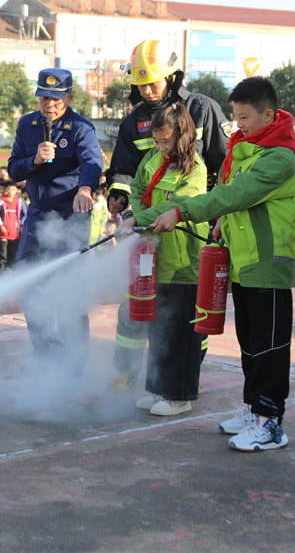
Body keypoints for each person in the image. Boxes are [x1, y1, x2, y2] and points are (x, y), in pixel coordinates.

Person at [151, 76, 295, 452]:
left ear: (268, 114)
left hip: (267, 263)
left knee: (268, 348)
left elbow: (235, 195)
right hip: (244, 263)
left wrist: (181, 211)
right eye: (235, 116)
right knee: (250, 344)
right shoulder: (246, 150)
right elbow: (231, 199)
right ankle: (255, 411)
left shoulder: (277, 158)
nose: (238, 124)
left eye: (245, 117)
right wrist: (219, 223)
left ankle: (271, 424)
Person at [105, 39, 231, 392]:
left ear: (172, 76)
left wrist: (222, 212)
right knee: (134, 303)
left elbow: (226, 165)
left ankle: (186, 370)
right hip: (146, 231)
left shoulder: (203, 109)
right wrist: (121, 198)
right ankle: (125, 372)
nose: (146, 90)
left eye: (153, 82)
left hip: (190, 227)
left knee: (184, 311)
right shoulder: (134, 122)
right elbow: (127, 171)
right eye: (140, 83)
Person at [7, 68, 104, 371]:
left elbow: (92, 162)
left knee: (69, 291)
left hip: (70, 218)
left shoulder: (81, 128)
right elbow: (14, 169)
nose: (50, 105)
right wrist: (34, 160)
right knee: (32, 288)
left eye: (57, 100)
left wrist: (86, 188)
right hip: (37, 217)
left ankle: (74, 364)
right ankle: (48, 357)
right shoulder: (27, 125)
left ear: (69, 98)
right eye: (45, 98)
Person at [118, 103, 208, 416]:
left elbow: (180, 205)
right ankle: (158, 390)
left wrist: (137, 220)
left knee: (180, 332)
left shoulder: (195, 168)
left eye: (166, 142)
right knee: (158, 328)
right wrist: (133, 215)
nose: (160, 148)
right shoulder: (154, 158)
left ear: (182, 137)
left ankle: (179, 396)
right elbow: (139, 187)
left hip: (183, 260)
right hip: (155, 255)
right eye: (157, 142)